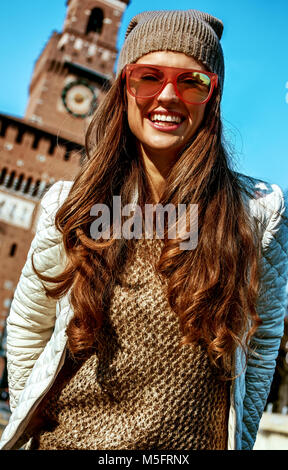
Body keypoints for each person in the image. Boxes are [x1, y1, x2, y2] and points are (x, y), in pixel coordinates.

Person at [0, 9, 288, 451]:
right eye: (148, 77)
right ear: (125, 89)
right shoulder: (72, 204)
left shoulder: (256, 213)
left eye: (192, 81)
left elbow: (263, 339)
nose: (168, 96)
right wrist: (30, 428)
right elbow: (28, 327)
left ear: (212, 96)